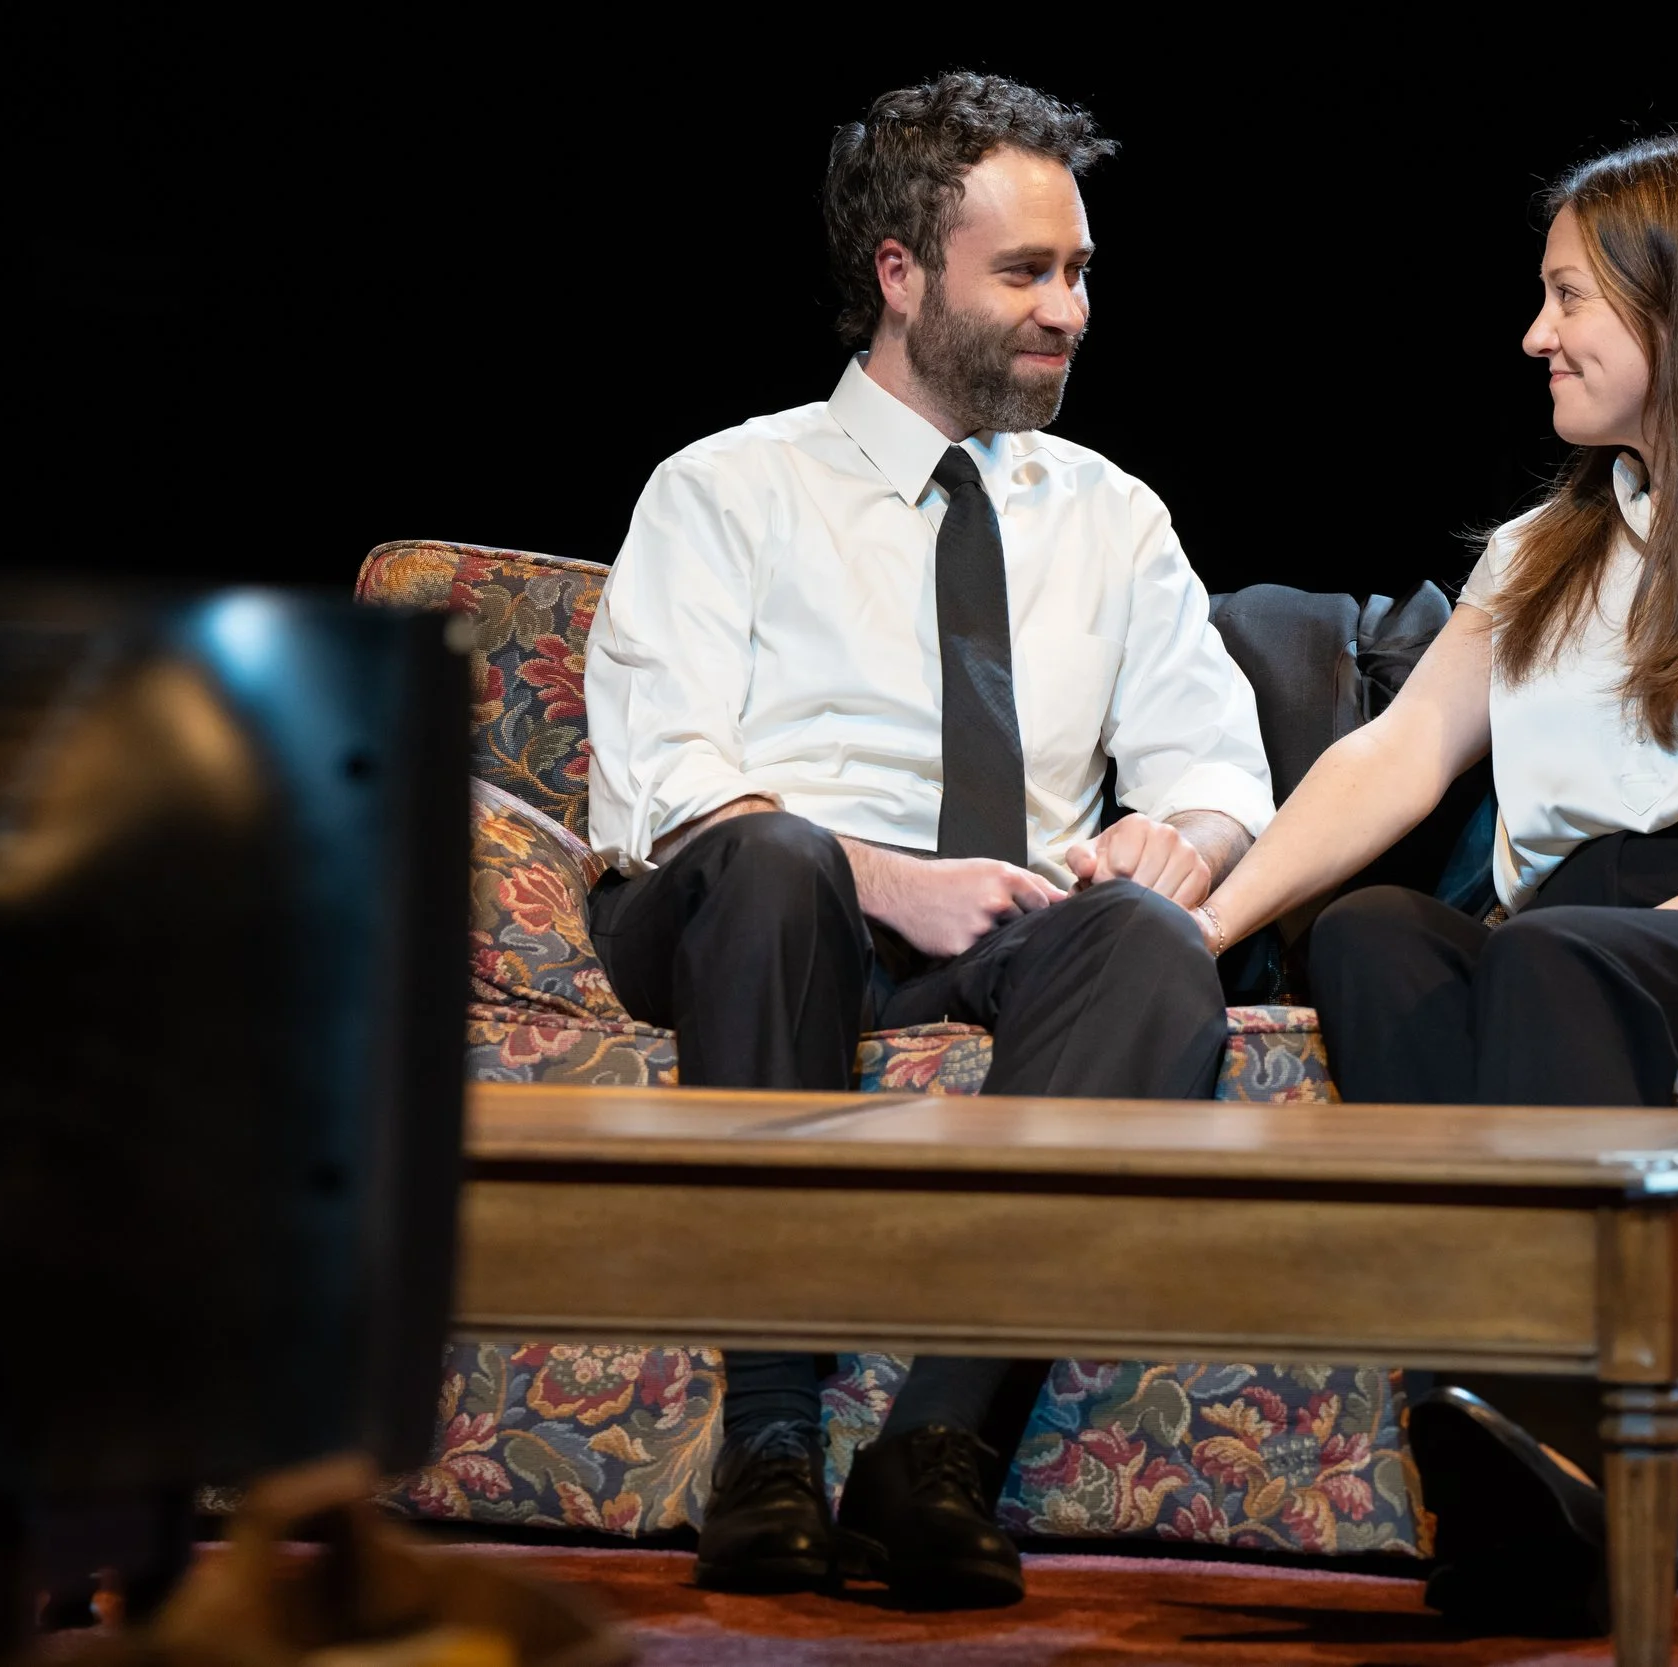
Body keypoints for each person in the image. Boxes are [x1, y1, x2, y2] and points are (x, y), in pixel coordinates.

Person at [1192, 129, 1678, 1634]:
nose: (1534, 334)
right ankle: (1502, 1443)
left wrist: (1584, 951)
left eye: (1569, 299)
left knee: (1552, 956)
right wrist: (1205, 925)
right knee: (1365, 933)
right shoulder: (1543, 548)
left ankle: (1533, 1422)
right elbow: (1398, 757)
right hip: (1570, 929)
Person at [582, 73, 1274, 1608]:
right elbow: (669, 783)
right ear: (900, 274)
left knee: (1159, 945)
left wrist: (1179, 836)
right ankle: (769, 1446)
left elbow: (1221, 766)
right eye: (1025, 273)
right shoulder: (727, 489)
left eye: (1080, 271)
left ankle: (932, 1447)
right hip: (754, 922)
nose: (1071, 311)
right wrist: (883, 875)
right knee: (773, 862)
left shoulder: (1112, 516)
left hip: (1001, 928)